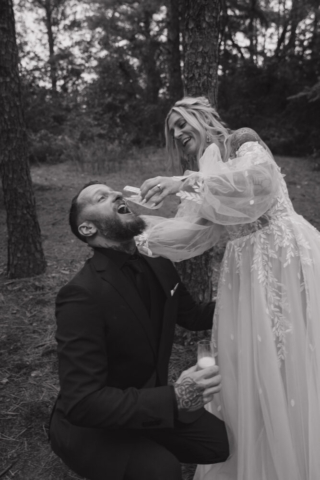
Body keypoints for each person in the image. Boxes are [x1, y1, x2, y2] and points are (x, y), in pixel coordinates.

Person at [138, 97, 320, 480]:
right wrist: (134, 228)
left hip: (282, 257)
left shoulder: (240, 141)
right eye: (173, 131)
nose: (178, 133)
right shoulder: (200, 174)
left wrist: (185, 182)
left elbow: (259, 183)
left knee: (294, 353)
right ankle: (265, 454)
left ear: (202, 118)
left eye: (182, 123)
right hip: (243, 270)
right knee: (249, 362)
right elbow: (193, 234)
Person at [49, 180, 229, 480]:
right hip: (92, 426)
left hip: (144, 404)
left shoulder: (158, 262)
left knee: (218, 444)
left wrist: (251, 302)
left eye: (114, 191)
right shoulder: (81, 294)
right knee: (163, 471)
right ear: (87, 229)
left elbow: (195, 316)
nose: (117, 194)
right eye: (101, 197)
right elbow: (83, 403)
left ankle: (144, 446)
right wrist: (174, 399)